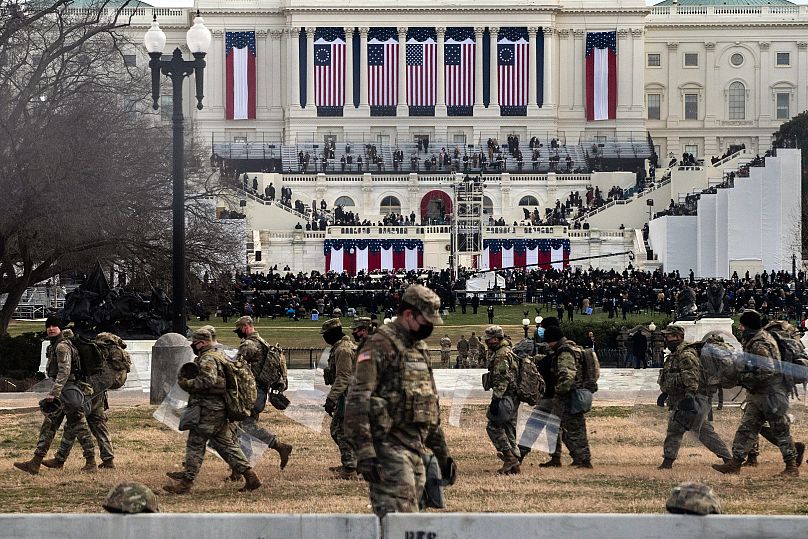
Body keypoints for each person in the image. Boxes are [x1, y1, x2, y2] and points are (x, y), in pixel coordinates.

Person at [344, 284, 455, 518]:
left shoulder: (419, 348)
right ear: (408, 315)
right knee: (399, 522)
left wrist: (443, 457)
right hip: (388, 450)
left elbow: (429, 406)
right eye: (426, 321)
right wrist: (365, 453)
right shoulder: (380, 344)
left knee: (415, 524)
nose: (430, 327)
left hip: (416, 449)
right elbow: (357, 400)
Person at [163, 328, 260, 494]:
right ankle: (251, 477)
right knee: (226, 445)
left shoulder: (208, 358)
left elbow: (207, 381)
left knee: (195, 443)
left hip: (209, 410)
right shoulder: (219, 355)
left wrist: (187, 384)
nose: (193, 346)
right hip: (219, 409)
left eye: (194, 343)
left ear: (201, 342)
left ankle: (186, 482)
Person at [713, 310, 800, 477]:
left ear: (746, 326)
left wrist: (742, 377)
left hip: (771, 394)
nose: (740, 327)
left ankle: (791, 466)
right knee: (746, 429)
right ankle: (735, 463)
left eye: (741, 325)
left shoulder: (760, 343)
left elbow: (767, 370)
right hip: (758, 394)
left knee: (780, 430)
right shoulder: (754, 340)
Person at [14, 317, 96, 475]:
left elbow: (64, 372)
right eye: (49, 326)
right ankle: (35, 462)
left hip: (69, 392)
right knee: (49, 425)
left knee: (79, 427)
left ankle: (91, 462)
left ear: (60, 328)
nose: (51, 328)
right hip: (63, 391)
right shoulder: (54, 345)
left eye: (54, 326)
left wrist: (54, 393)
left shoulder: (62, 347)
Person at [42, 332, 121, 470]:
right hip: (99, 394)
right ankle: (108, 460)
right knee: (99, 426)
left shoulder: (72, 349)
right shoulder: (96, 352)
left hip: (87, 394)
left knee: (73, 425)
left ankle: (61, 459)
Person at [657, 325, 731, 469]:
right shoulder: (675, 354)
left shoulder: (686, 354)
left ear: (679, 337)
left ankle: (667, 462)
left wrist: (690, 397)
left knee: (677, 429)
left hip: (691, 399)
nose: (667, 339)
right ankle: (728, 460)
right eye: (666, 336)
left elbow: (691, 376)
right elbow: (673, 376)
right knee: (702, 431)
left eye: (670, 336)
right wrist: (665, 393)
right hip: (682, 399)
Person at [228, 316, 293, 470]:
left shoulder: (249, 345)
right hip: (260, 392)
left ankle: (279, 446)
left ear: (245, 327)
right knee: (245, 428)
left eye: (239, 330)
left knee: (244, 425)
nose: (238, 333)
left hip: (251, 393)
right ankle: (242, 467)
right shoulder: (263, 342)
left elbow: (235, 368)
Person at [541, 324, 593, 468]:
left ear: (554, 340)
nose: (548, 345)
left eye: (548, 342)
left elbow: (567, 375)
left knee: (574, 430)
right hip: (574, 394)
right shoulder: (572, 348)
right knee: (570, 429)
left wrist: (559, 390)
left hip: (570, 396)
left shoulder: (564, 352)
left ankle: (583, 460)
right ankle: (579, 458)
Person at [321, 318, 358, 479]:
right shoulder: (342, 347)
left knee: (338, 430)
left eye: (325, 334)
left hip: (348, 396)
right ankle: (355, 463)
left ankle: (350, 468)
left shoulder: (343, 350)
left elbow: (343, 377)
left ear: (332, 334)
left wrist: (331, 399)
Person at [483, 325, 521, 474]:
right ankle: (514, 462)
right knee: (509, 427)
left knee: (493, 426)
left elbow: (502, 378)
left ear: (497, 339)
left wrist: (496, 400)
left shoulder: (501, 354)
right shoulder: (507, 350)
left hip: (505, 396)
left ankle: (509, 458)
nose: (487, 342)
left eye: (489, 339)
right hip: (513, 396)